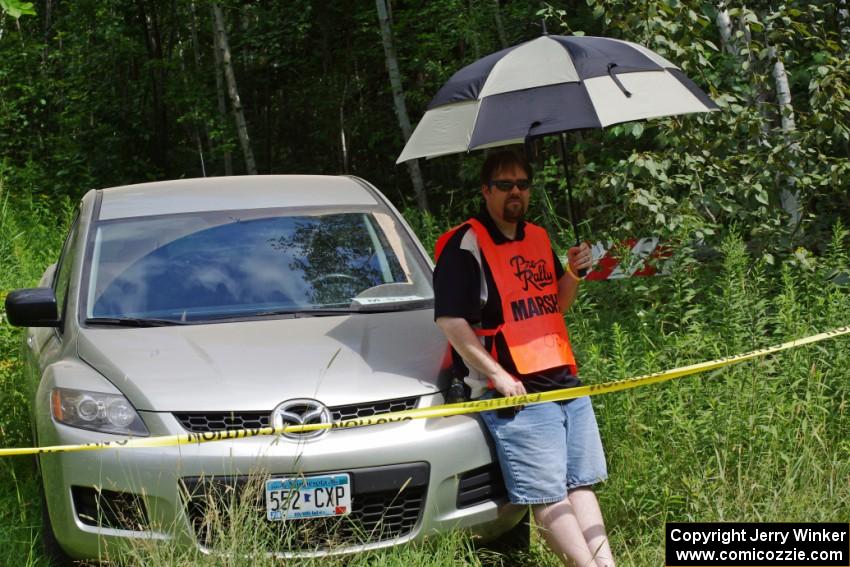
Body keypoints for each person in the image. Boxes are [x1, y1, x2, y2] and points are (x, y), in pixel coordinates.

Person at [433, 150, 615, 567]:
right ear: (485, 191)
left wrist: (573, 273)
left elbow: (556, 304)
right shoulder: (466, 244)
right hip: (519, 395)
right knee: (547, 494)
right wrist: (496, 375)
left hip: (565, 380)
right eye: (504, 184)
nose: (515, 191)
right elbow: (450, 320)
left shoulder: (537, 236)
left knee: (581, 485)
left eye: (522, 183)